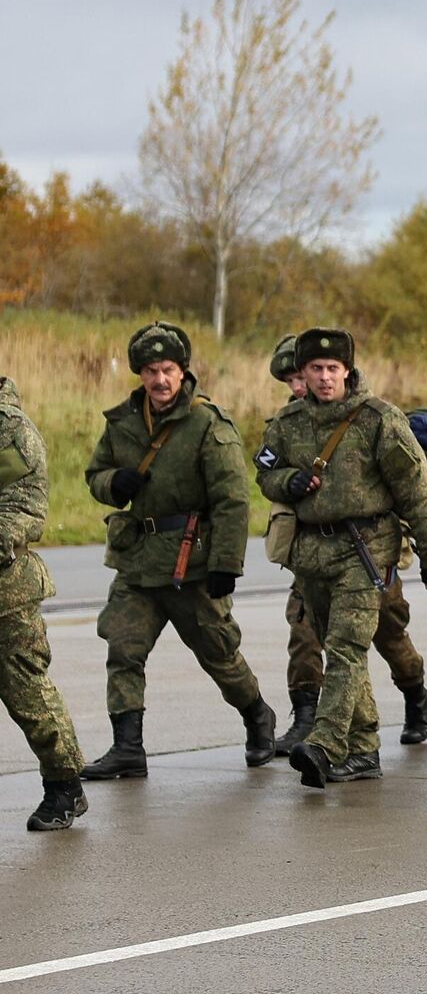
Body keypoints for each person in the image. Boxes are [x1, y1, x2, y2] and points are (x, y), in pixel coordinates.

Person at [254, 329, 427, 788]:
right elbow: (265, 473)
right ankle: (364, 750)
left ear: (347, 370)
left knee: (346, 647)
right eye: (315, 370)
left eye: (332, 369)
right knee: (334, 642)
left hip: (366, 549)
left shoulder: (379, 420)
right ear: (300, 374)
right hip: (311, 552)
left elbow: (417, 490)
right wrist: (289, 483)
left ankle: (325, 743)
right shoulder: (287, 424)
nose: (324, 378)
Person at [81, 322, 275, 782]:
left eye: (167, 369)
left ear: (183, 370)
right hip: (138, 560)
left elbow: (233, 499)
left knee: (218, 654)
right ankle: (128, 748)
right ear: (140, 374)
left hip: (193, 562)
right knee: (123, 648)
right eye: (150, 371)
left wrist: (226, 565)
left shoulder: (208, 423)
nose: (160, 380)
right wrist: (114, 483)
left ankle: (257, 717)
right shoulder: (124, 422)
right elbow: (95, 474)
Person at [0, 376, 89, 830]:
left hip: (6, 594)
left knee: (27, 695)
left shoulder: (11, 431)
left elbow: (23, 509)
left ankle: (64, 785)